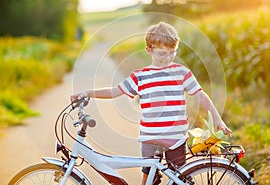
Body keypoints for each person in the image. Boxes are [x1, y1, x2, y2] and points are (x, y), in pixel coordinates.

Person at [70, 21, 232, 185]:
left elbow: (200, 95)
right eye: (162, 53)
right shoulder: (140, 76)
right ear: (149, 50)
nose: (167, 58)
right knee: (148, 176)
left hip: (175, 138)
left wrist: (218, 119)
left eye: (172, 53)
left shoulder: (182, 73)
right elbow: (114, 91)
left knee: (181, 178)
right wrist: (88, 92)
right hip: (150, 137)